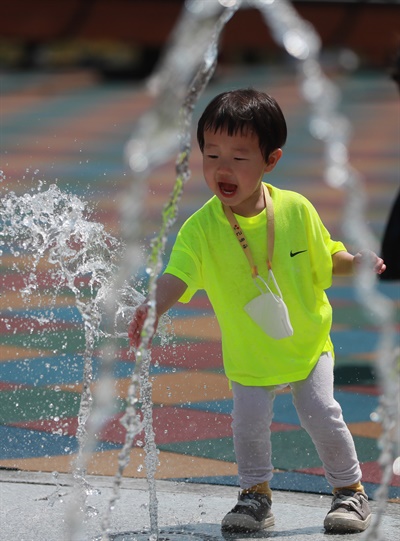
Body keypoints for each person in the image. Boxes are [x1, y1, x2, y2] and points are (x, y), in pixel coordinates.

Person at [128, 89, 385, 534]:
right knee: (247, 426)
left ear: (271, 160)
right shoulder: (202, 228)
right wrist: (153, 308)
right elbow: (178, 277)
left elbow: (328, 259)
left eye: (240, 157)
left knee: (321, 411)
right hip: (249, 354)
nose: (223, 169)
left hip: (307, 343)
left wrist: (356, 263)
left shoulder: (295, 210)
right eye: (212, 155)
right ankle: (255, 497)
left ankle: (350, 491)